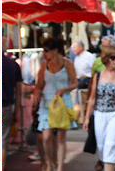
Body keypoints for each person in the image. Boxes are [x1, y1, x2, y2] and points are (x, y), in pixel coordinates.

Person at [82, 46, 115, 171]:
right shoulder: (98, 76)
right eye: (113, 58)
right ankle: (110, 166)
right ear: (106, 59)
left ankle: (109, 168)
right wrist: (87, 118)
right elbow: (92, 98)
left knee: (112, 144)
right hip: (100, 113)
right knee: (102, 146)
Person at [32, 38, 77, 171]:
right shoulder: (44, 66)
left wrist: (64, 89)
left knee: (61, 138)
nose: (44, 53)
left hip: (63, 103)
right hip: (46, 103)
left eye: (46, 50)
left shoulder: (67, 64)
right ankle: (50, 163)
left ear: (55, 50)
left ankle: (60, 168)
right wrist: (36, 95)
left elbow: (75, 83)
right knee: (46, 137)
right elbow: (39, 86)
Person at [1, 53, 22, 169]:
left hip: (0, 103)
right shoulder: (13, 65)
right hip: (6, 106)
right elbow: (18, 91)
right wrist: (16, 111)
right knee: (3, 140)